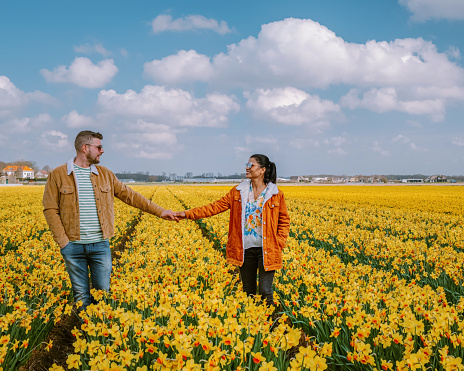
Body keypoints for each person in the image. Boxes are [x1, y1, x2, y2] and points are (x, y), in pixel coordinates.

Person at [43, 130, 178, 313]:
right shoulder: (57, 175)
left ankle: (100, 333)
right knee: (81, 297)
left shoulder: (105, 174)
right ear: (85, 148)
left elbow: (130, 196)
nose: (102, 151)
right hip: (73, 245)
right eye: (99, 147)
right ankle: (86, 336)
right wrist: (63, 242)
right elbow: (50, 209)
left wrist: (161, 212)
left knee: (103, 295)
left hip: (100, 245)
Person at [175, 154, 290, 306]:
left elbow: (284, 221)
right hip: (245, 249)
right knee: (248, 290)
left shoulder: (275, 194)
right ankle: (253, 326)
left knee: (265, 290)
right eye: (246, 164)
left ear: (262, 170)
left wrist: (279, 242)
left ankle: (270, 327)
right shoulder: (238, 192)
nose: (247, 167)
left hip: (267, 249)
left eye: (251, 165)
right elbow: (214, 207)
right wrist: (186, 214)